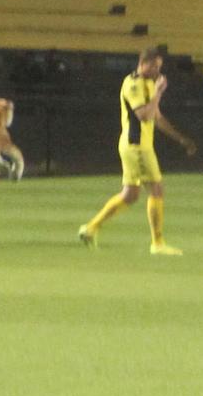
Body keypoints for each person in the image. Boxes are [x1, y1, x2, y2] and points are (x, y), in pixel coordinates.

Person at [78, 45, 193, 256]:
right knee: (157, 189)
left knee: (130, 195)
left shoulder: (147, 83)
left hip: (139, 146)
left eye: (160, 67)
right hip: (136, 145)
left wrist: (181, 139)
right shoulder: (132, 84)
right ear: (144, 64)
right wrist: (158, 93)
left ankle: (90, 228)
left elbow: (156, 117)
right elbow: (144, 115)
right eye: (155, 66)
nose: (158, 71)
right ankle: (157, 244)